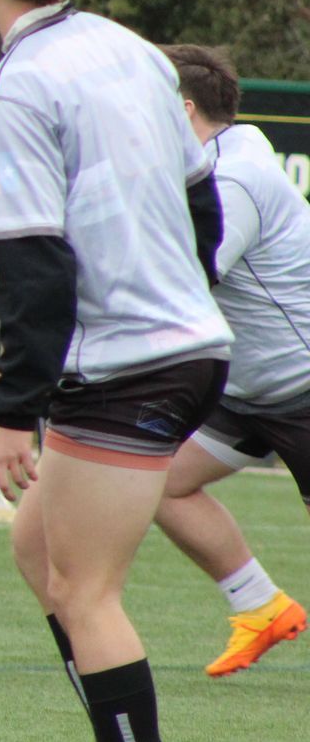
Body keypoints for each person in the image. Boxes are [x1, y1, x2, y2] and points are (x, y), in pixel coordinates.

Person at [0, 0, 229, 742]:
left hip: (133, 362)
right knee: (42, 552)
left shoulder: (14, 87)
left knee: (86, 588)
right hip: (171, 348)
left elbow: (33, 266)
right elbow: (206, 203)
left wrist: (8, 410)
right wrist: (183, 296)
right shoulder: (132, 51)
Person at [153, 45, 308, 677]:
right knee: (159, 481)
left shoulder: (234, 178)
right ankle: (260, 607)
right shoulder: (207, 165)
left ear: (183, 110)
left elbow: (187, 275)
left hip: (302, 384)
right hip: (247, 391)